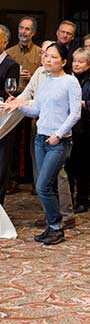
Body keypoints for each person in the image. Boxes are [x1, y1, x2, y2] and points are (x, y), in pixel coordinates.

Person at [1, 42, 81, 245]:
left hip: (59, 141)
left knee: (42, 185)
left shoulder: (70, 82)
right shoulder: (43, 80)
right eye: (46, 56)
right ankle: (52, 227)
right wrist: (17, 107)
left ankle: (56, 226)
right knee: (49, 186)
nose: (48, 60)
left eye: (53, 57)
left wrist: (58, 134)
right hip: (40, 139)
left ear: (63, 61)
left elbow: (75, 114)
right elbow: (36, 109)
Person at [65, 47, 90, 213]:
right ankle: (67, 201)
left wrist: (84, 104)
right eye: (75, 61)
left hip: (86, 130)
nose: (77, 64)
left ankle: (82, 200)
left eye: (81, 62)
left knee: (83, 167)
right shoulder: (66, 79)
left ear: (88, 65)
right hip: (68, 128)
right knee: (68, 167)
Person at [0, 24, 21, 206]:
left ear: (5, 42)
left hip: (3, 117)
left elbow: (10, 92)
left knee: (1, 162)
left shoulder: (11, 64)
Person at [7, 15, 42, 90]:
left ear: (33, 33)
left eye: (27, 29)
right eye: (21, 28)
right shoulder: (8, 52)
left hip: (31, 95)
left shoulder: (41, 53)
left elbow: (45, 78)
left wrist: (31, 78)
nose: (23, 31)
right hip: (10, 95)